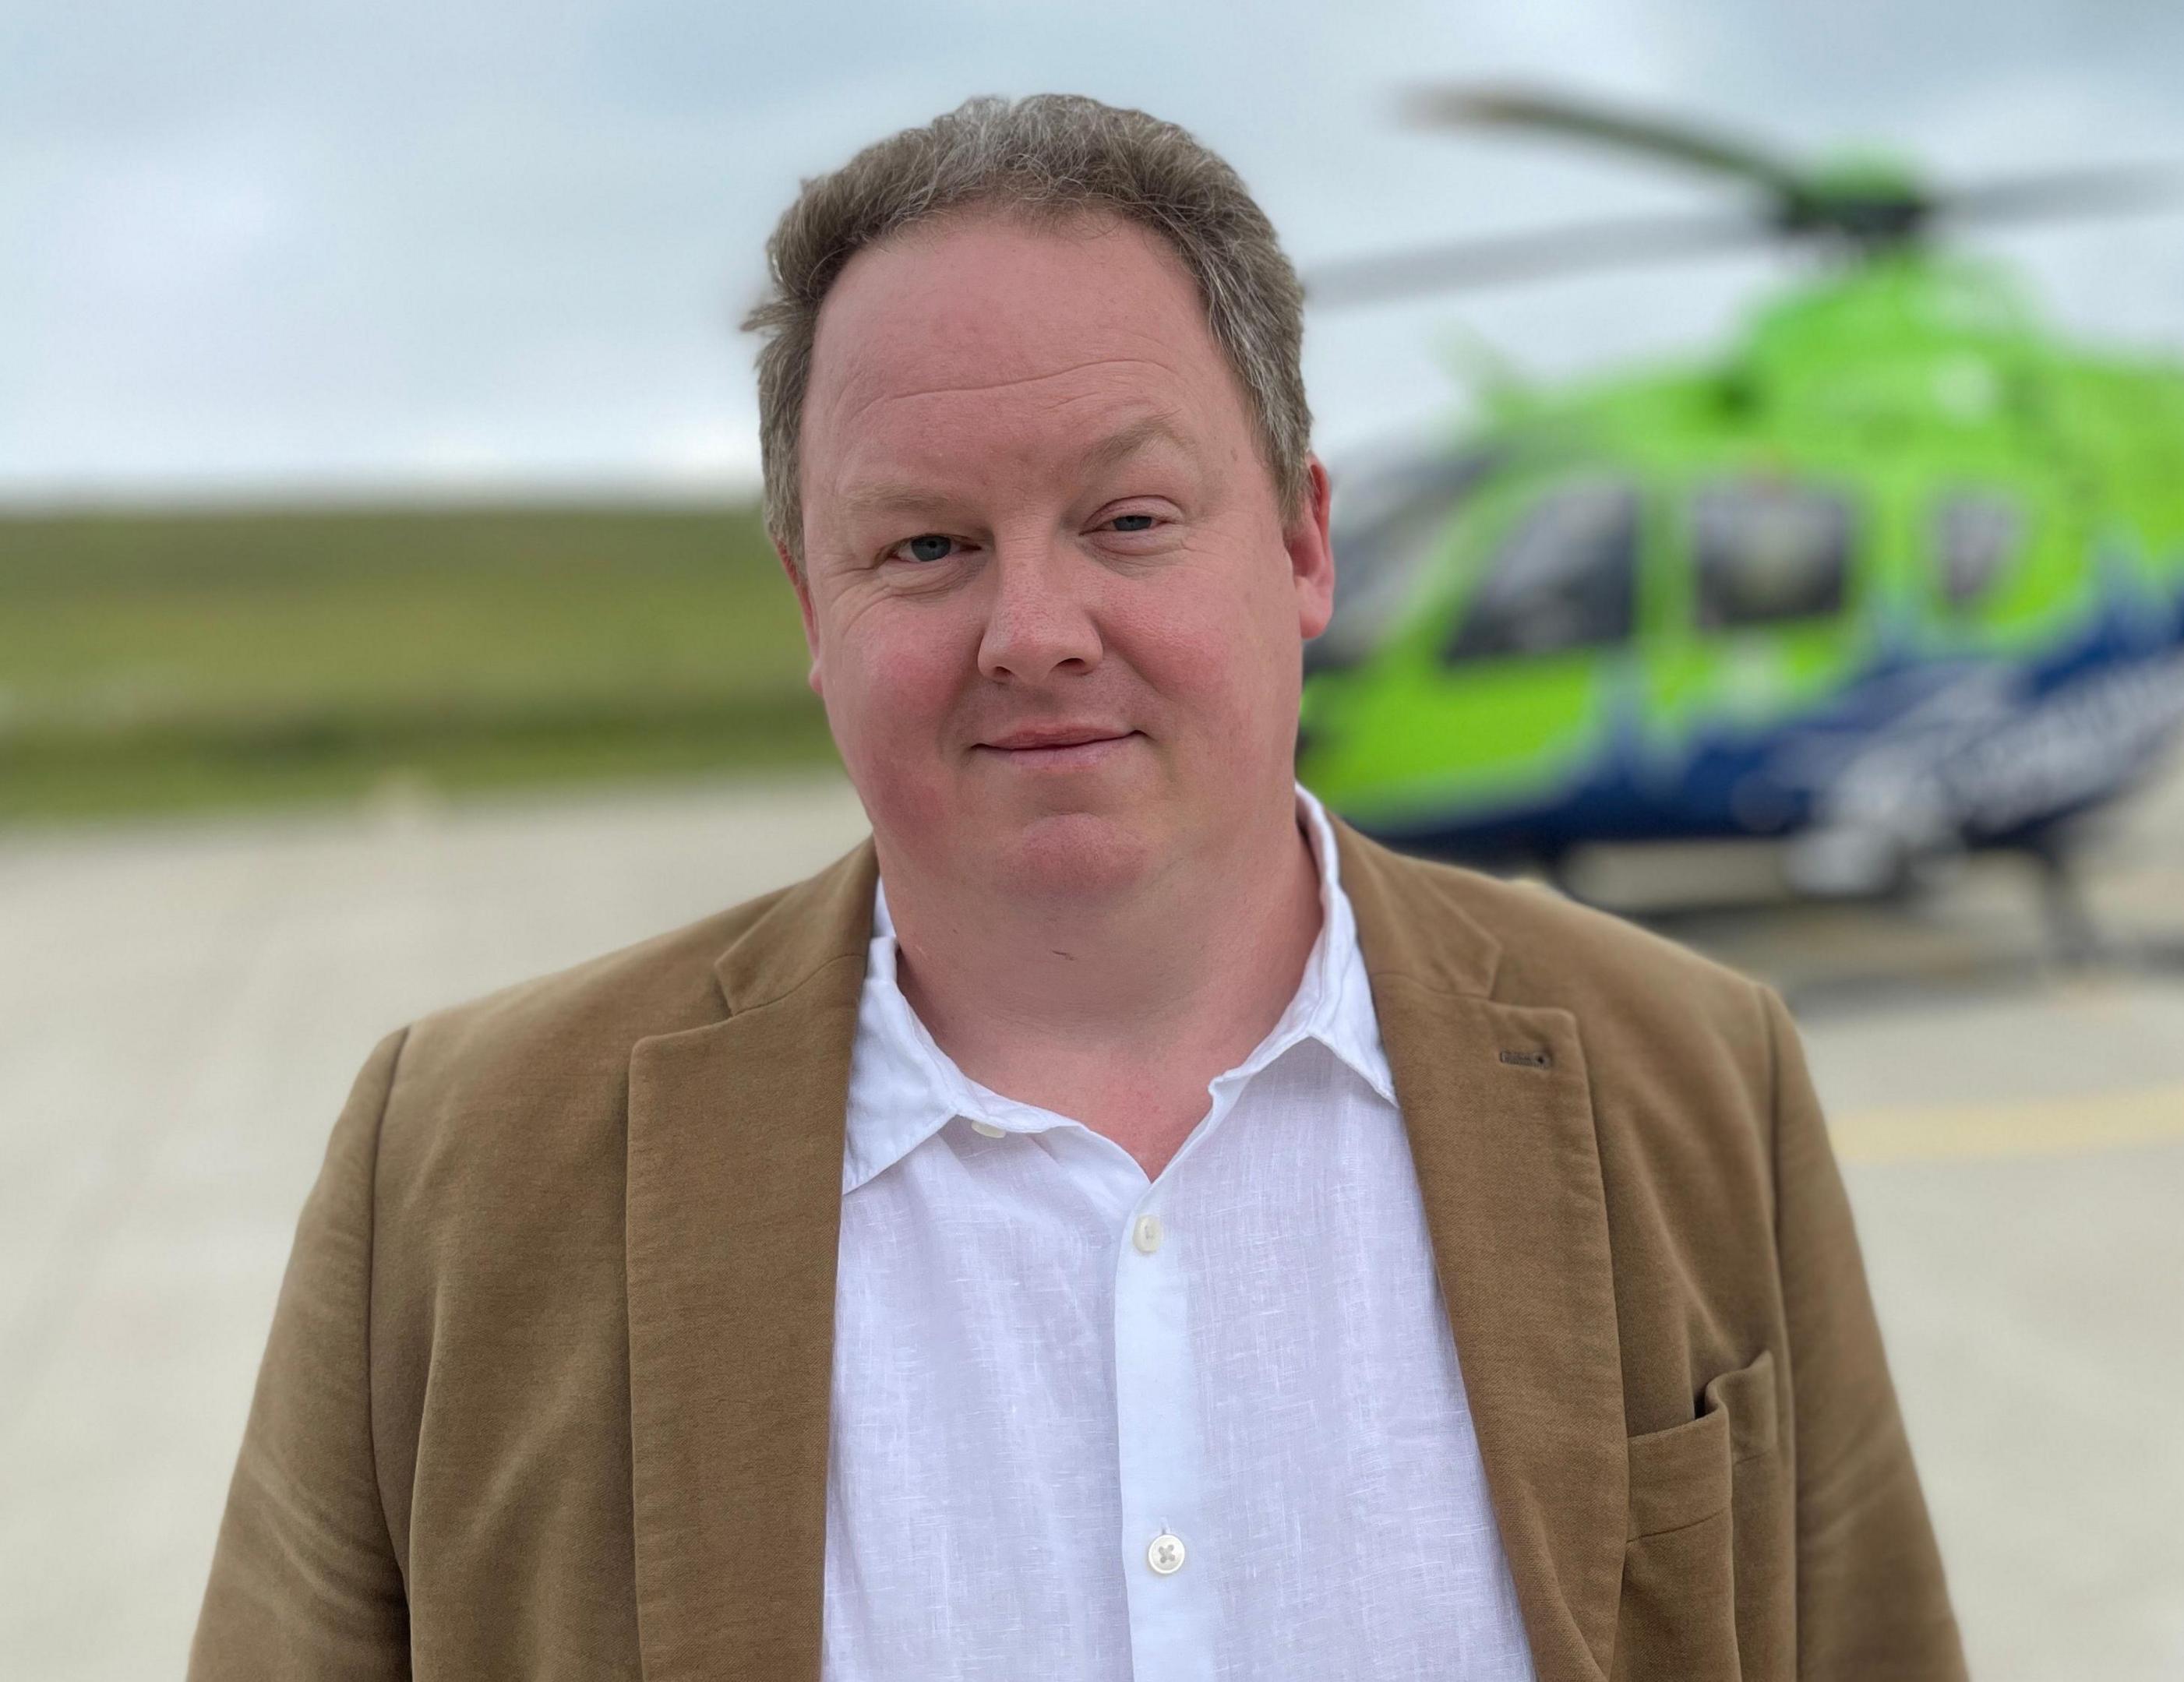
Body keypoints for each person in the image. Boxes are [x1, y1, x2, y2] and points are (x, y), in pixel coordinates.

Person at [188, 93, 1963, 1681]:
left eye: (1128, 521)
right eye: (926, 547)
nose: (1034, 636)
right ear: (816, 611)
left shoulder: (1697, 1078)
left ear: (1303, 546)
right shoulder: (459, 1164)